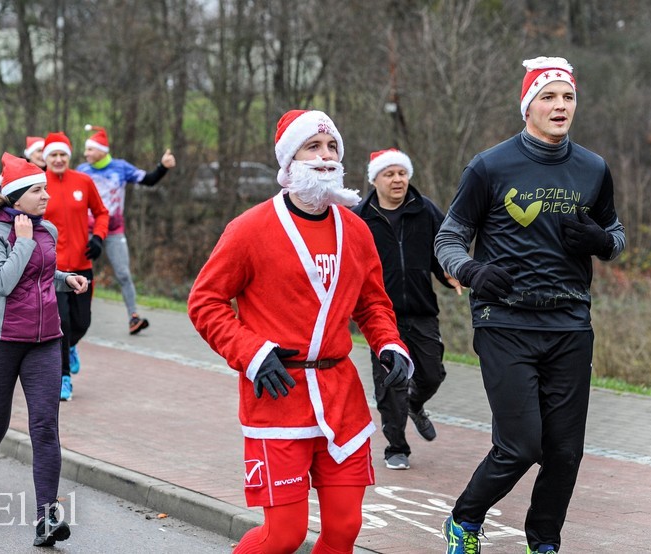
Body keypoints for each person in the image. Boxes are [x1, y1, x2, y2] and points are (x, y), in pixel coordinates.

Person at [188, 109, 414, 554]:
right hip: (278, 396)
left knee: (345, 528)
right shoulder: (249, 229)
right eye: (313, 147)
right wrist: (251, 352)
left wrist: (390, 345)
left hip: (340, 399)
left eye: (332, 148)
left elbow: (372, 303)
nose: (326, 157)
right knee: (283, 536)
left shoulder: (357, 230)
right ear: (288, 161)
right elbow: (205, 302)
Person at [434, 57, 626, 554]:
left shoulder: (592, 168)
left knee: (564, 452)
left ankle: (543, 543)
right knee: (522, 444)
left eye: (568, 97)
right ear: (527, 106)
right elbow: (449, 238)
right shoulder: (489, 166)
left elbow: (617, 233)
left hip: (569, 321)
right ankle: (464, 520)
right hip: (505, 320)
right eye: (549, 96)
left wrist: (601, 241)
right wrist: (471, 270)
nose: (560, 105)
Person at [0, 152, 86, 546]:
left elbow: (40, 277)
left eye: (46, 188)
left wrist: (67, 280)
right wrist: (24, 243)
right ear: (16, 197)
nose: (46, 195)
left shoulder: (48, 231)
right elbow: (1, 282)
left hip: (45, 341)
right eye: (37, 190)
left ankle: (46, 518)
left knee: (45, 428)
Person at [353, 148, 462, 471]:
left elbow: (444, 248)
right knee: (390, 384)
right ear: (375, 179)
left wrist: (451, 271)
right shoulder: (361, 217)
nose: (398, 179)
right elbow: (350, 263)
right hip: (380, 315)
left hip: (421, 310)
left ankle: (415, 404)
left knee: (431, 374)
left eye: (402, 173)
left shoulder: (425, 210)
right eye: (390, 174)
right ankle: (396, 447)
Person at [76, 124, 176, 335]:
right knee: (76, 272)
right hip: (86, 231)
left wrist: (163, 167)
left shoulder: (121, 167)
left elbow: (148, 180)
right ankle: (71, 316)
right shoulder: (82, 171)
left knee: (123, 274)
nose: (85, 154)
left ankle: (133, 317)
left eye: (90, 149)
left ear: (102, 150)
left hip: (113, 231)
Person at [42, 132, 109, 401]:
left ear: (69, 157)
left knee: (82, 321)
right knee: (63, 322)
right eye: (53, 155)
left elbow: (102, 212)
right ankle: (63, 378)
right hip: (53, 268)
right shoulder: (39, 184)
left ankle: (70, 347)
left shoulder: (83, 181)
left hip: (82, 264)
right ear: (46, 158)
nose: (58, 159)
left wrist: (98, 238)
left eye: (62, 155)